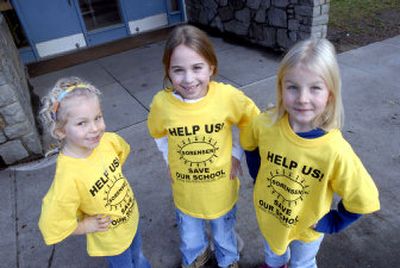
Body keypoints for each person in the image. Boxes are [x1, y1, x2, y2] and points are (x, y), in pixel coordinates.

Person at [241, 38, 380, 268]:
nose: (302, 98)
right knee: (273, 253)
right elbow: (250, 144)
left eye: (315, 88)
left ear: (330, 95)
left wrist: (334, 222)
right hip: (271, 216)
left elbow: (363, 197)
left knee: (302, 263)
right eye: (292, 87)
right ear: (281, 88)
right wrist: (258, 178)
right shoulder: (264, 124)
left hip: (308, 227)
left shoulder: (335, 150)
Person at [147, 25, 260, 268]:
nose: (188, 79)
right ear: (168, 70)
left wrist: (236, 153)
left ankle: (228, 260)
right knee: (190, 235)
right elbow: (158, 134)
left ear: (211, 67)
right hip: (186, 191)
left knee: (223, 233)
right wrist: (169, 160)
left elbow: (251, 120)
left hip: (221, 188)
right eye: (178, 70)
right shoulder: (161, 104)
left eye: (197, 68)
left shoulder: (228, 97)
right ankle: (196, 258)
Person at [38, 77, 151, 268]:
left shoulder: (107, 141)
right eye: (82, 123)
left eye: (97, 117)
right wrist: (83, 226)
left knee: (139, 256)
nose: (95, 129)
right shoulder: (68, 177)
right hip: (111, 238)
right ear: (60, 131)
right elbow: (52, 221)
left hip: (131, 219)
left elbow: (120, 154)